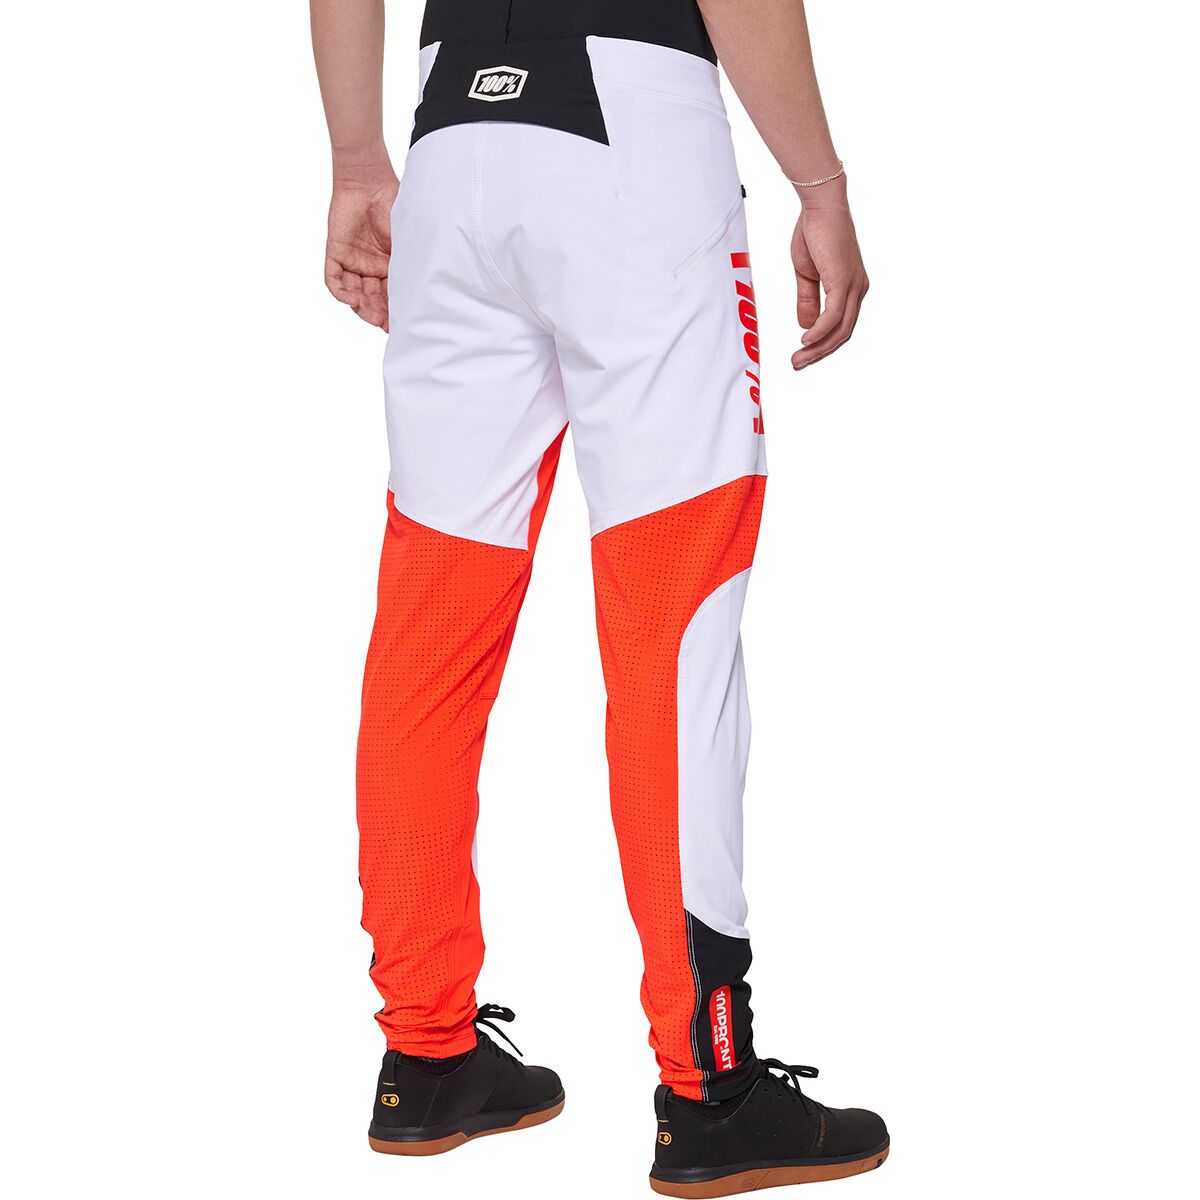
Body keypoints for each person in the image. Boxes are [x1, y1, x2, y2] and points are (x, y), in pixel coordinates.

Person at [311, 0, 884, 1192]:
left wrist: (358, 160)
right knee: (673, 625)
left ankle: (427, 1053)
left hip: (452, 134)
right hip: (632, 141)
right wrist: (819, 185)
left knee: (431, 622)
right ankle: (711, 1088)